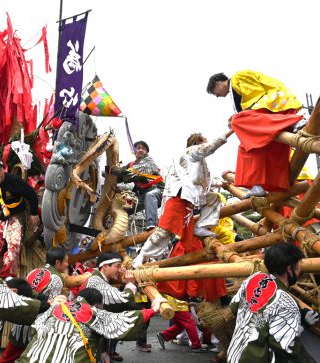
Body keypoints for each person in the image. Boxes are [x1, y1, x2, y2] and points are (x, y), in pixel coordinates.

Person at [0, 287, 165, 363]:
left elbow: (35, 329)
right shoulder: (94, 313)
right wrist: (153, 308)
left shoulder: (55, 308)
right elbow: (123, 321)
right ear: (97, 305)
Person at [225, 242, 319, 363]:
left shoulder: (253, 279)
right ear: (289, 269)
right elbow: (287, 347)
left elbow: (233, 307)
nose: (300, 271)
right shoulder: (287, 302)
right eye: (298, 267)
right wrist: (302, 325)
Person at [133, 131, 232, 267]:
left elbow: (202, 182)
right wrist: (231, 131)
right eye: (204, 140)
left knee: (214, 198)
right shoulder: (190, 152)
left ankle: (201, 226)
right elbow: (211, 147)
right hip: (179, 197)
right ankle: (142, 256)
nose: (207, 142)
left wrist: (221, 183)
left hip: (190, 199)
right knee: (165, 231)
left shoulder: (199, 161)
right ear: (197, 143)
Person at [207, 71, 305, 198]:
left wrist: (238, 118)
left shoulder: (238, 77)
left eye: (215, 92)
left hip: (275, 105)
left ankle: (294, 120)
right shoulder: (234, 88)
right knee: (246, 147)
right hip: (268, 112)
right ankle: (257, 185)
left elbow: (256, 97)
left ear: (217, 83)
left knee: (237, 121)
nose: (217, 96)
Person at [0, 246, 68, 363]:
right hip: (33, 328)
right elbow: (49, 306)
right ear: (57, 262)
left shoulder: (34, 271)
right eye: (65, 262)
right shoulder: (57, 279)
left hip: (20, 319)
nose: (67, 264)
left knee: (6, 361)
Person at [0, 156, 39, 278]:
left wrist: (34, 213)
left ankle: (7, 278)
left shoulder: (14, 180)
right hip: (4, 215)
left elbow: (32, 194)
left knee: (13, 244)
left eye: (0, 170)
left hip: (18, 215)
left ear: (3, 169)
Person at [115, 140, 164, 228]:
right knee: (124, 208)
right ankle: (117, 228)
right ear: (134, 151)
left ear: (147, 152)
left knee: (150, 195)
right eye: (138, 148)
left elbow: (130, 174)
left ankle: (152, 225)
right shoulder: (131, 165)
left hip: (159, 191)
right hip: (142, 195)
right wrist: (108, 172)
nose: (141, 150)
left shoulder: (149, 162)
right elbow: (119, 176)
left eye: (144, 149)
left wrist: (112, 171)